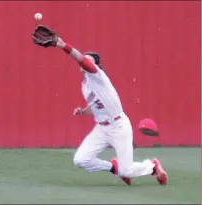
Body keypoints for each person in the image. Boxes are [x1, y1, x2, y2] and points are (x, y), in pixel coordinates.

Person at [55, 37, 168, 185]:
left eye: (88, 60)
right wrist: (83, 111)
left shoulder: (98, 76)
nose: (83, 61)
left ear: (95, 65)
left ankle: (152, 167)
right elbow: (97, 106)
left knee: (126, 171)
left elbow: (82, 60)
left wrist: (64, 46)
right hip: (101, 128)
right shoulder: (85, 85)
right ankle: (113, 167)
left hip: (118, 127)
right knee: (80, 160)